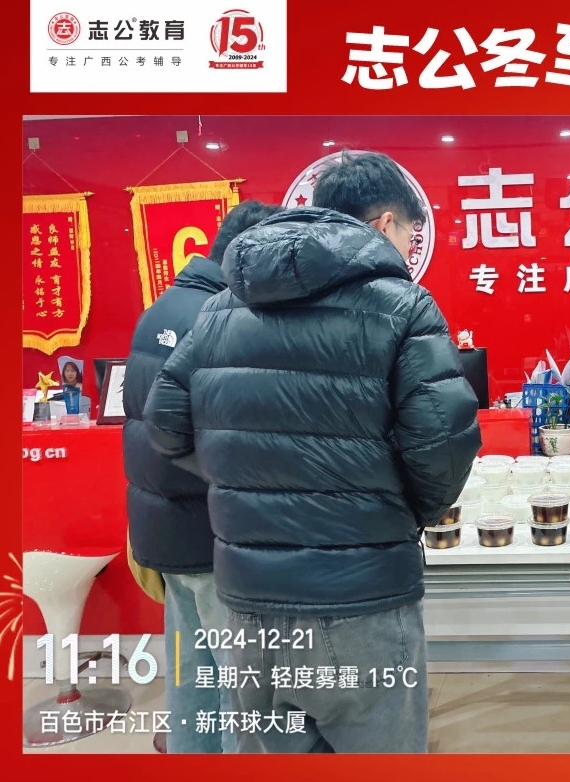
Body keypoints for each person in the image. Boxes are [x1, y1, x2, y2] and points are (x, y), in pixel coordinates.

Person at [143, 152, 481, 754]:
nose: (410, 250)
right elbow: (444, 446)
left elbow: (166, 426)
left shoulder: (222, 308)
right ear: (385, 224)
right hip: (361, 597)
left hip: (249, 602)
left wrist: (245, 480)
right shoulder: (402, 307)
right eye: (411, 234)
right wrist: (402, 509)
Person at [123, 200, 283, 753]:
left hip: (166, 534)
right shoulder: (221, 319)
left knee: (191, 678)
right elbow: (233, 440)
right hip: (214, 535)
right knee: (243, 690)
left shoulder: (160, 309)